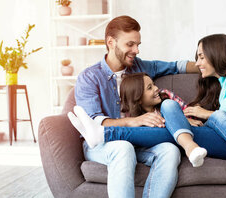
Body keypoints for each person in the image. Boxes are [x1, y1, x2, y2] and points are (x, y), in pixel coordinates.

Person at [69, 34, 226, 182]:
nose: (197, 63)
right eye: (197, 57)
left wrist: (205, 114)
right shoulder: (223, 83)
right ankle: (106, 133)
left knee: (212, 119)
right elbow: (177, 68)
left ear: (216, 55)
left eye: (202, 57)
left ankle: (106, 133)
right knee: (174, 123)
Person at [73, 15, 198, 198]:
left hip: (137, 143)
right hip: (102, 144)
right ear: (111, 42)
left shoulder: (139, 67)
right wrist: (137, 121)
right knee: (123, 148)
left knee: (170, 150)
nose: (136, 50)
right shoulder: (89, 78)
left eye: (138, 44)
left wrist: (213, 65)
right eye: (130, 44)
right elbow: (97, 124)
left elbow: (175, 66)